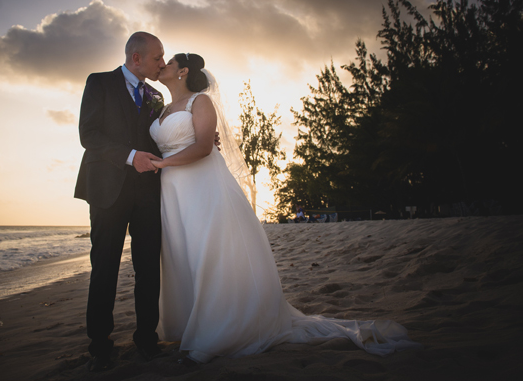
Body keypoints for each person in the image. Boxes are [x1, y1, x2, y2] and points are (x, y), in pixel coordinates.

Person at [150, 53, 422, 364]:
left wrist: (162, 162)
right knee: (182, 255)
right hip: (172, 192)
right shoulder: (161, 108)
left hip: (202, 187)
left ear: (183, 71)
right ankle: (189, 325)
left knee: (207, 254)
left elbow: (202, 146)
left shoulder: (200, 102)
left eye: (169, 62)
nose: (163, 65)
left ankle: (216, 332)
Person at [74, 32, 166, 371]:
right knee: (105, 268)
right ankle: (100, 345)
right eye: (158, 57)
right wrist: (129, 156)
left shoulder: (157, 96)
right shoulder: (99, 83)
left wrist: (200, 137)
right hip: (106, 190)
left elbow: (162, 141)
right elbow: (89, 134)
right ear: (136, 57)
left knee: (148, 269)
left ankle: (147, 339)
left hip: (147, 193)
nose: (162, 63)